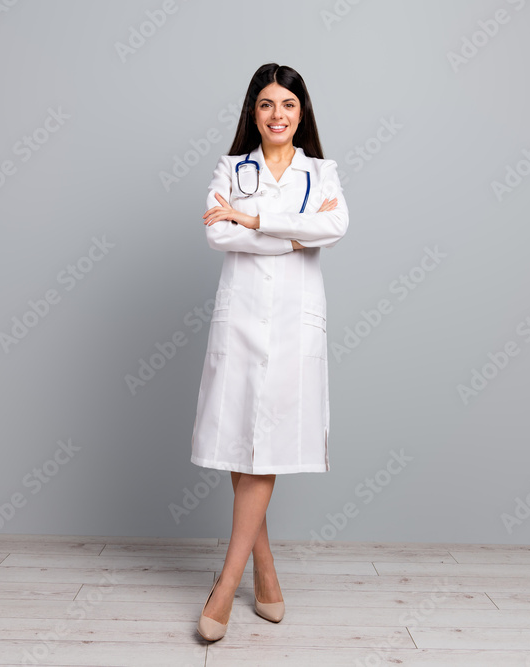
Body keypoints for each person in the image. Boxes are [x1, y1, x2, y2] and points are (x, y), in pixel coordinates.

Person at [189, 63, 349, 641]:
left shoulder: (321, 172)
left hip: (292, 327)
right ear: (251, 113)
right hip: (240, 323)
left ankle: (225, 587)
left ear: (301, 112)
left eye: (287, 104)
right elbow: (216, 233)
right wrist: (292, 232)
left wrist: (252, 218)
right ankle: (265, 571)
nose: (276, 114)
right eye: (265, 105)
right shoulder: (232, 169)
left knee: (268, 445)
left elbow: (335, 228)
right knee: (240, 438)